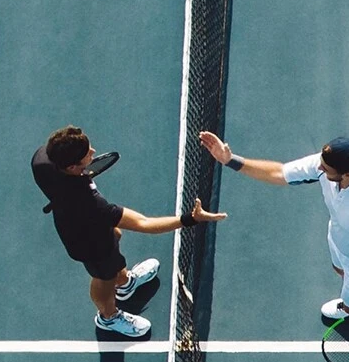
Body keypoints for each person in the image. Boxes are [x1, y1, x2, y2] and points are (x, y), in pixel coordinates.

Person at [200, 131, 349, 355]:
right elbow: (278, 173)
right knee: (340, 270)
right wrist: (230, 160)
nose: (319, 169)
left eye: (325, 169)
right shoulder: (329, 165)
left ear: (348, 174)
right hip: (340, 241)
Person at [32, 126, 227, 337]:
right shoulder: (89, 203)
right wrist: (190, 219)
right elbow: (144, 223)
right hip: (86, 241)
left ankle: (125, 284)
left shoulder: (42, 160)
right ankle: (108, 317)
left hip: (83, 222)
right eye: (87, 153)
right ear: (71, 167)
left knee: (115, 237)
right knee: (104, 276)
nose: (94, 152)